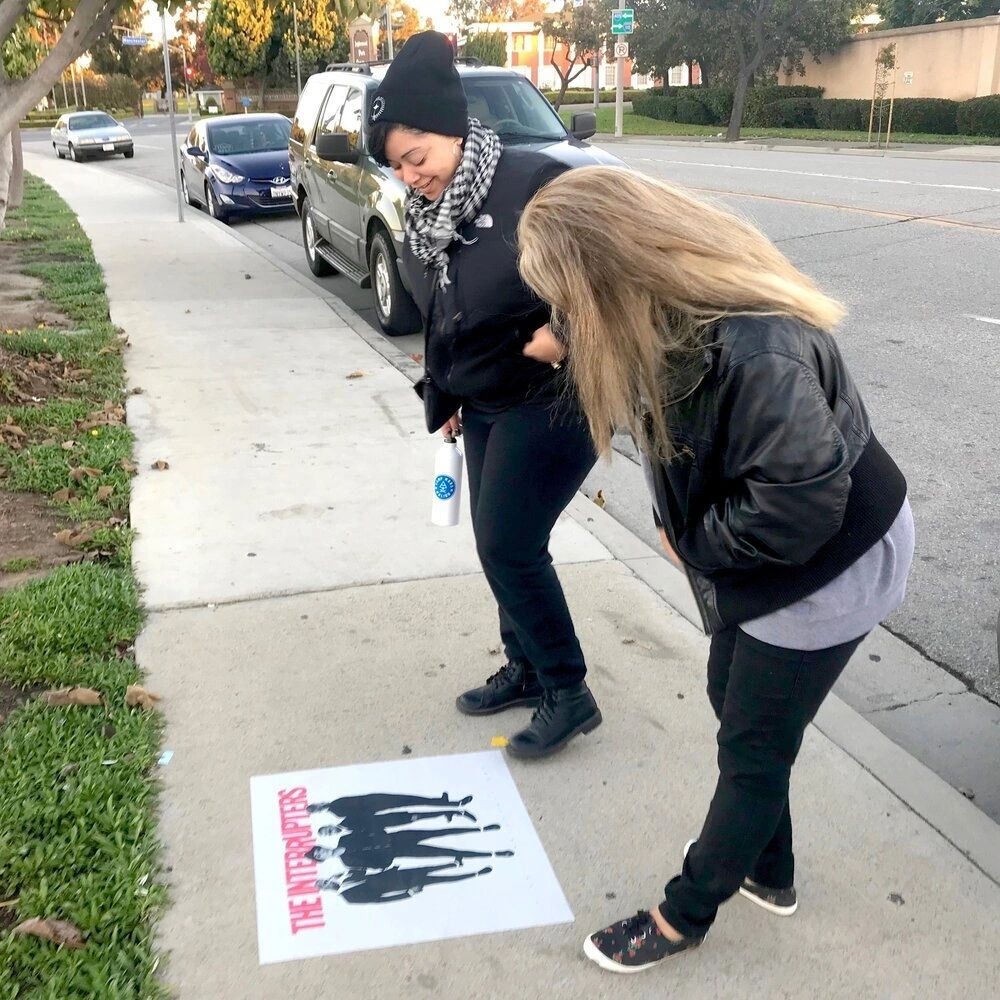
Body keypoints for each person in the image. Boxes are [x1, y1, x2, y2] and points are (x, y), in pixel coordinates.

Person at [516, 166, 914, 975]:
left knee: (754, 749)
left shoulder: (755, 347)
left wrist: (691, 548)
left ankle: (683, 914)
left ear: (608, 275)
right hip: (774, 547)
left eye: (563, 299)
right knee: (732, 698)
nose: (557, 317)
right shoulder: (659, 316)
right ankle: (771, 868)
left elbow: (800, 507)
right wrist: (568, 343)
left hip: (833, 558)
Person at [367, 31, 601, 758]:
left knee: (509, 544)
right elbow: (447, 309)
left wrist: (564, 330)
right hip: (488, 399)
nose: (411, 176)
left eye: (418, 158)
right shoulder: (433, 213)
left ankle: (570, 690)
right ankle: (528, 666)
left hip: (557, 401)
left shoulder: (537, 182)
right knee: (500, 546)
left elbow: (618, 276)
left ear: (453, 132)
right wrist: (451, 390)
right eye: (398, 165)